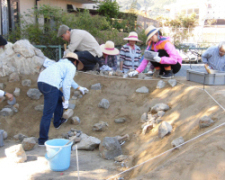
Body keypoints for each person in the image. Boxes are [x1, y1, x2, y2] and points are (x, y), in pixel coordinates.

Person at [37, 52, 88, 146]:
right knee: (47, 114)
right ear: (75, 62)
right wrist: (67, 100)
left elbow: (68, 80)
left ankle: (57, 122)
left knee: (59, 98)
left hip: (41, 83)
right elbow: (66, 85)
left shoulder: (60, 64)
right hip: (50, 86)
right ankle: (42, 140)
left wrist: (78, 87)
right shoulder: (71, 67)